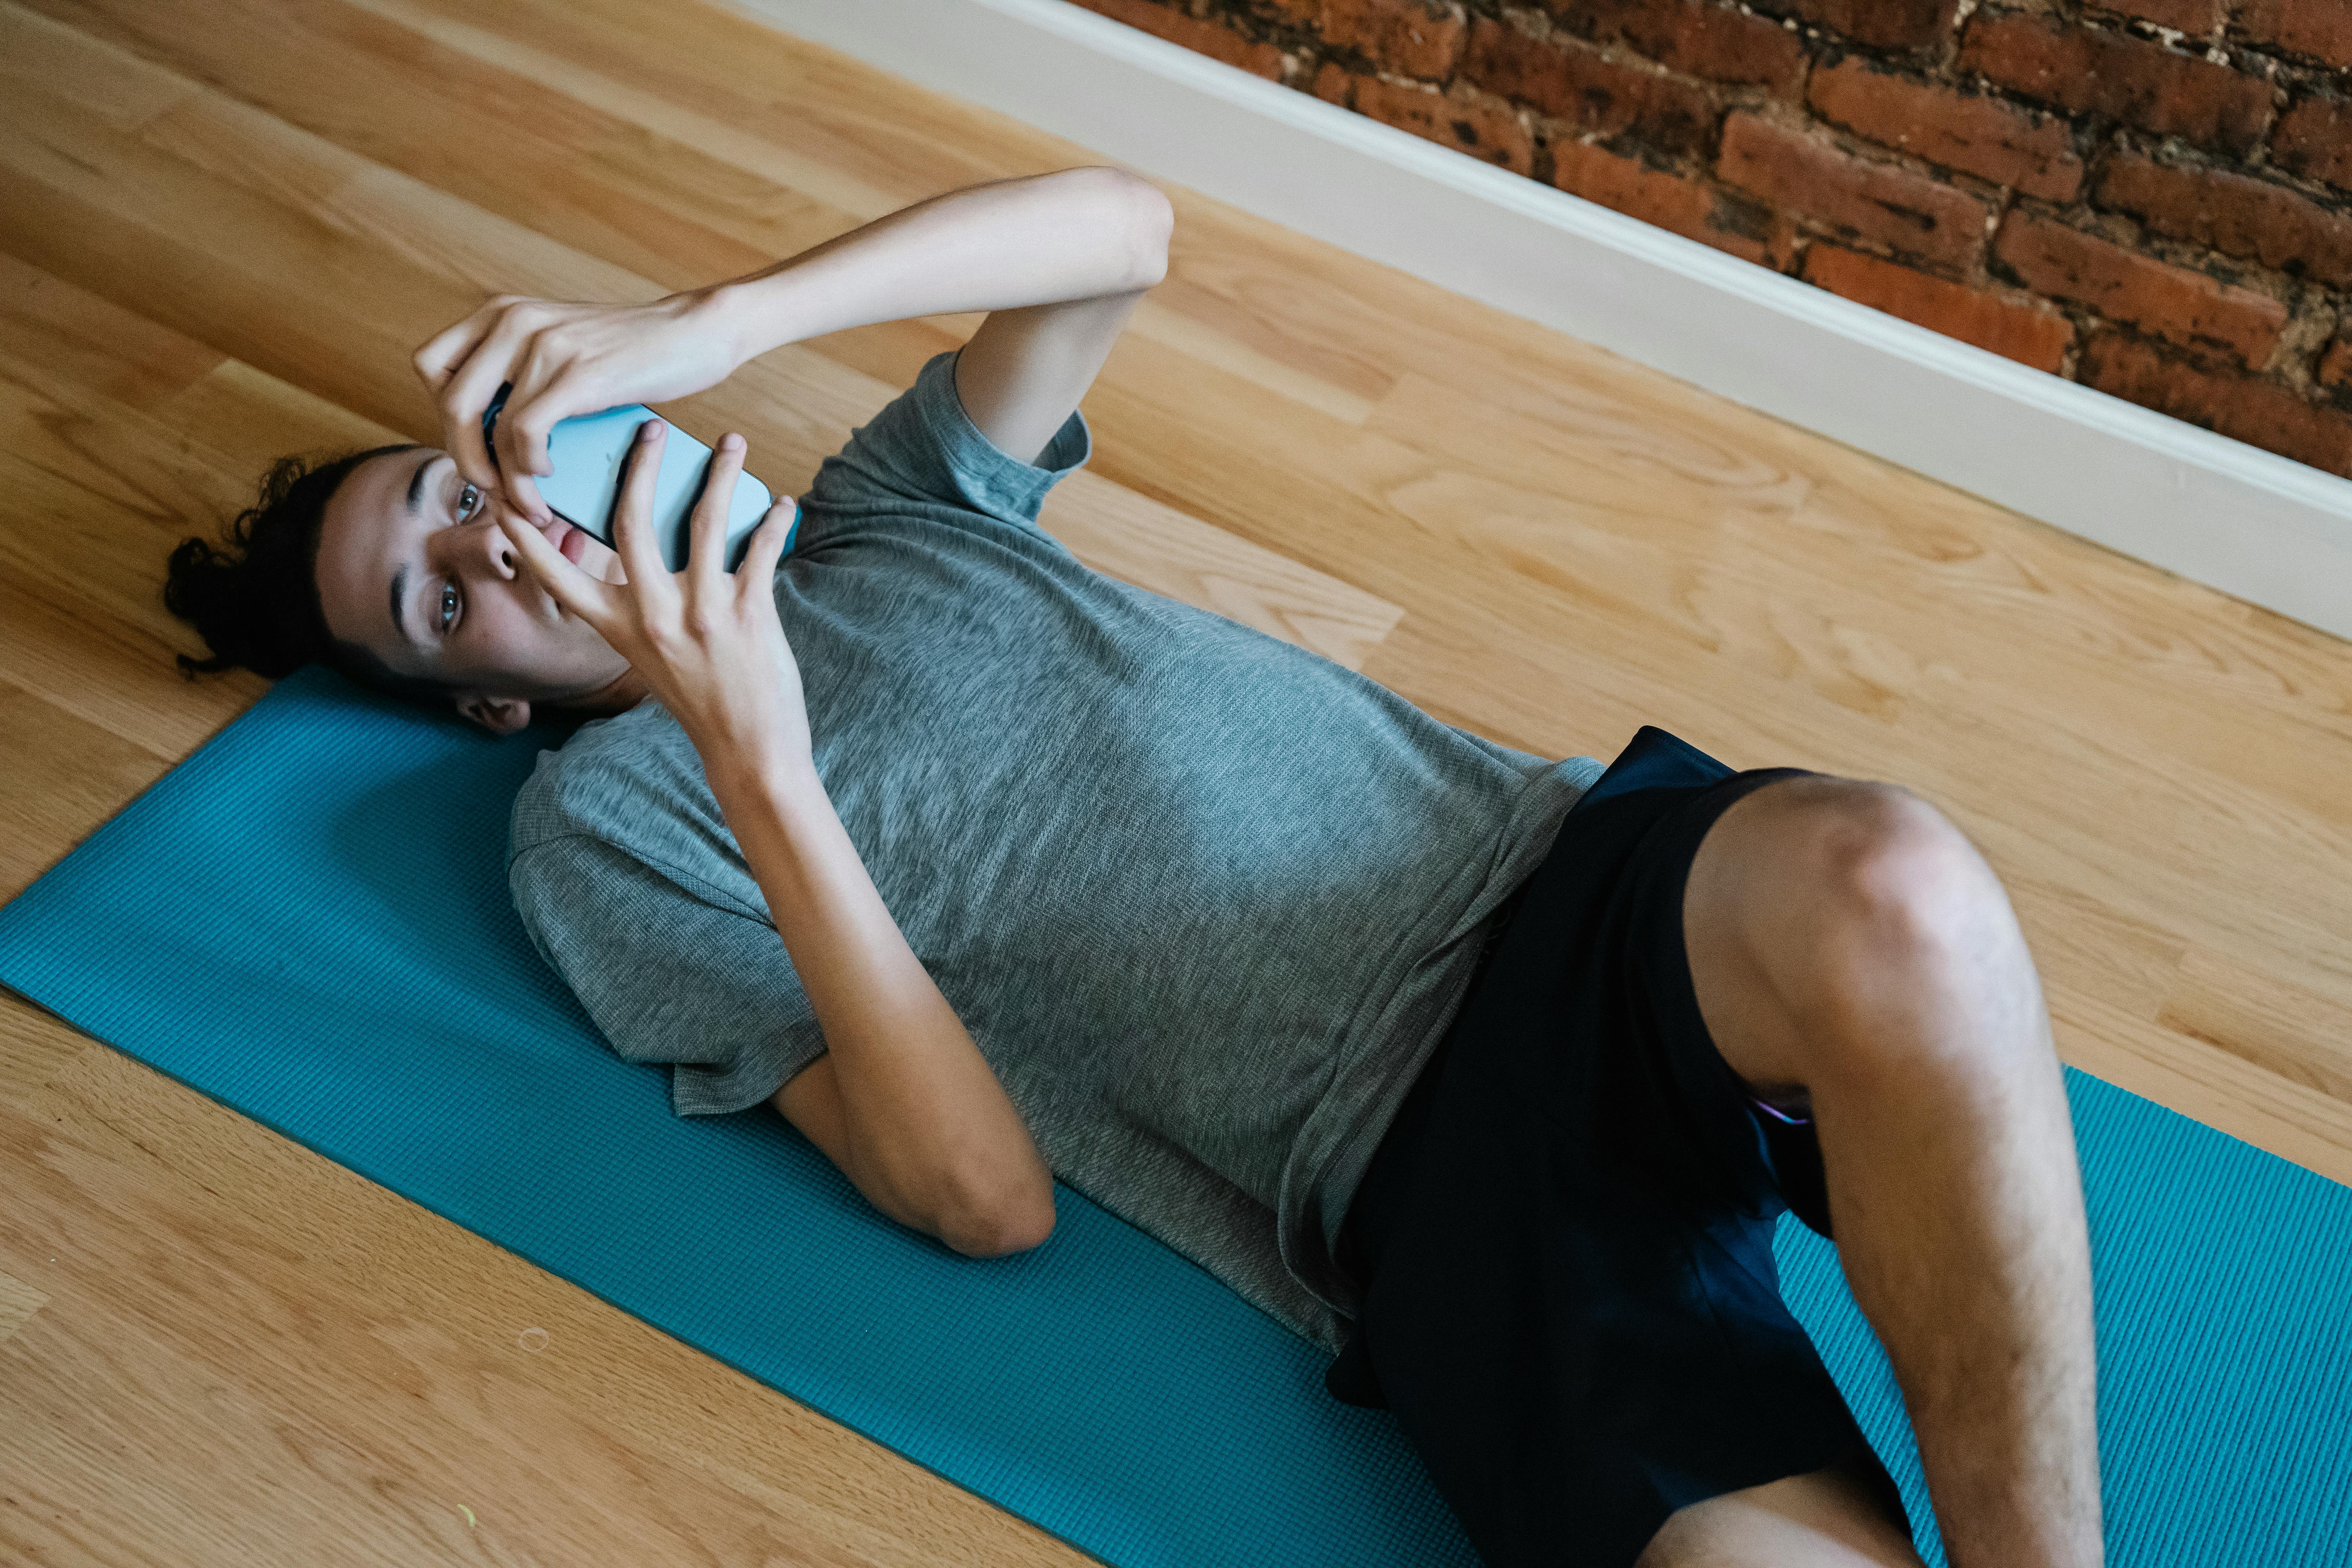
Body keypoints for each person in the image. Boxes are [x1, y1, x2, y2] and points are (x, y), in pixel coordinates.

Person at [163, 166, 2102, 1568]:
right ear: (484, 703)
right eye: (434, 605)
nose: (484, 550)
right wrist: (759, 761)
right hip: (1426, 1191)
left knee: (1903, 891)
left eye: (453, 493)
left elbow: (1124, 231)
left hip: (1561, 893)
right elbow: (979, 1195)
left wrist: (723, 321)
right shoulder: (596, 836)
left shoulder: (889, 514)